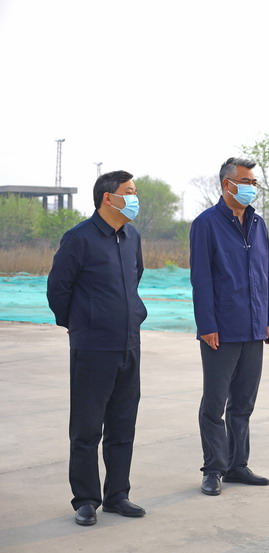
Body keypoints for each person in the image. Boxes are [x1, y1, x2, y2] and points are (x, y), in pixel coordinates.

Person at [47, 170, 147, 526]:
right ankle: (86, 500)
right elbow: (58, 289)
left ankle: (118, 495)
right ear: (109, 197)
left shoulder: (132, 237)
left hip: (129, 345)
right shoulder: (79, 238)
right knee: (87, 429)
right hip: (92, 348)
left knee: (122, 426)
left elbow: (135, 277)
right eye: (129, 191)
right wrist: (80, 325)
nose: (135, 198)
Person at [190, 157, 269, 496]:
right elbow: (201, 278)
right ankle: (214, 468)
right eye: (246, 182)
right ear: (227, 184)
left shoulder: (258, 224)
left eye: (254, 182)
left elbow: (266, 275)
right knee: (214, 405)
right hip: (221, 331)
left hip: (254, 328)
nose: (252, 187)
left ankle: (238, 465)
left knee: (243, 404)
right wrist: (207, 324)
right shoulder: (206, 224)